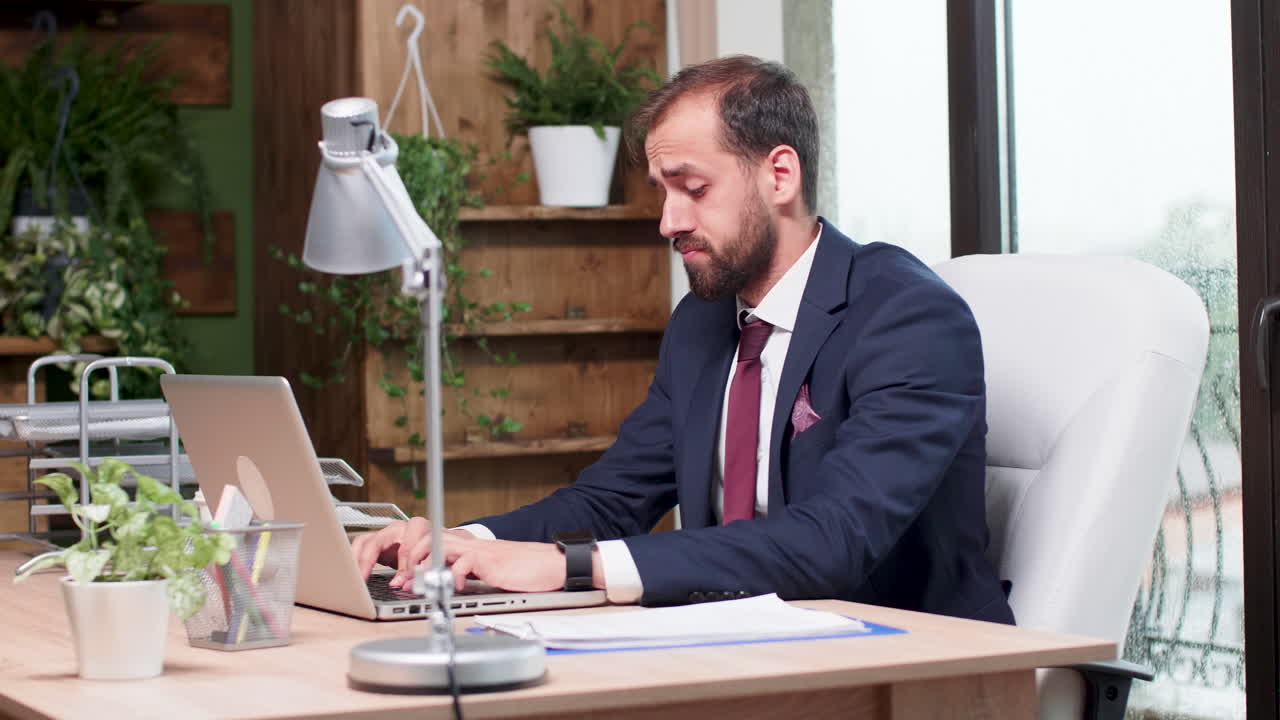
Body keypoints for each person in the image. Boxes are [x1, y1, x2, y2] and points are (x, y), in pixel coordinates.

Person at [351, 55, 1015, 624]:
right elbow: (613, 497)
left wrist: (570, 566)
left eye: (693, 189)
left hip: (911, 659)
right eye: (662, 193)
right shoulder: (706, 320)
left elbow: (832, 541)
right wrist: (463, 541)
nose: (669, 221)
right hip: (734, 641)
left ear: (779, 176)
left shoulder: (908, 317)